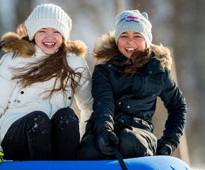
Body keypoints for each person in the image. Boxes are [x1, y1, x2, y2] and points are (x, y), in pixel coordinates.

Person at [0, 3, 93, 161]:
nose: (49, 37)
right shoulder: (14, 61)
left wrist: (87, 143)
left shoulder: (75, 65)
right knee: (38, 120)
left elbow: (90, 107)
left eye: (56, 31)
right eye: (42, 31)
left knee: (67, 116)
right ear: (32, 34)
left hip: (53, 139)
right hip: (17, 136)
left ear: (64, 36)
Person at [77, 10, 187, 160]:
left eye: (137, 36)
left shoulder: (158, 70)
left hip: (140, 133)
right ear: (116, 40)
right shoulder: (105, 67)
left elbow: (178, 107)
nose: (130, 42)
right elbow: (104, 102)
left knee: (127, 141)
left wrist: (169, 142)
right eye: (124, 36)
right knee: (88, 151)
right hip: (104, 128)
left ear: (147, 40)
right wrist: (104, 130)